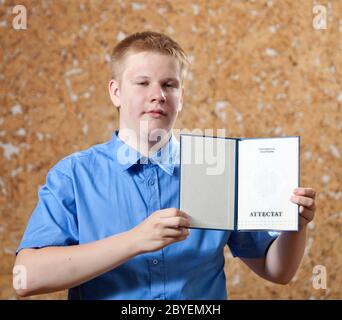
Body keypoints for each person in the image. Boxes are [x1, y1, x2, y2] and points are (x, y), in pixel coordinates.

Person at [13, 31, 316, 300]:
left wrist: (296, 224)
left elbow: (277, 271)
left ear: (180, 96)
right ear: (116, 92)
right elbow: (26, 278)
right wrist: (136, 240)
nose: (157, 95)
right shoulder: (74, 175)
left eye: (168, 84)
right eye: (142, 83)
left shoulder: (218, 169)